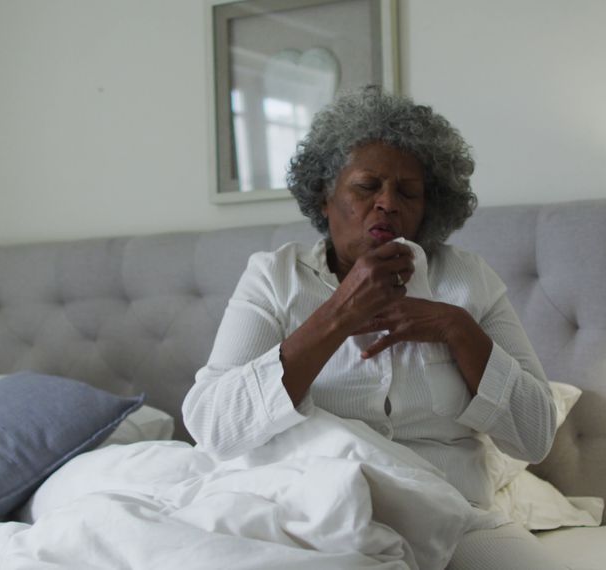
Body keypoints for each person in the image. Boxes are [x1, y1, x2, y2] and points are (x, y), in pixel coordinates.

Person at [183, 85, 558, 568]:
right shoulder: (275, 278)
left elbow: (535, 437)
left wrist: (456, 327)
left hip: (453, 513)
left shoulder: (469, 281)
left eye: (408, 192)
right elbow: (212, 425)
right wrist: (338, 314)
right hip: (307, 508)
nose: (386, 203)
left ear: (429, 208)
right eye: (366, 186)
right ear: (324, 195)